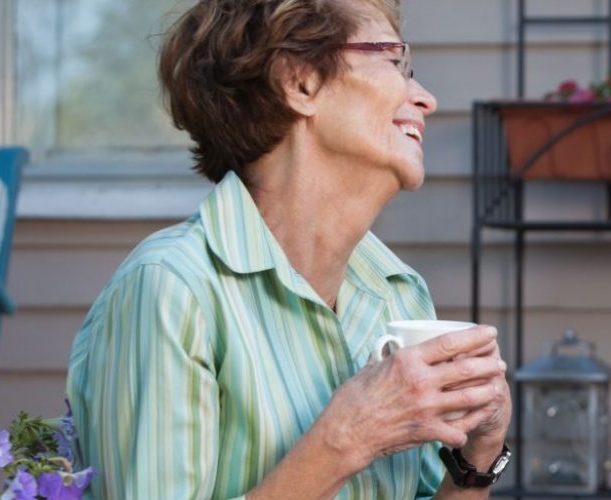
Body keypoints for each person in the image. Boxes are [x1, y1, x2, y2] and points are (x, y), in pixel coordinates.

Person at [65, 0, 512, 498]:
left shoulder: (399, 294)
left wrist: (478, 457)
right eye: (393, 61)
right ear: (299, 82)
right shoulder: (172, 289)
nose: (425, 98)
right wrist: (345, 439)